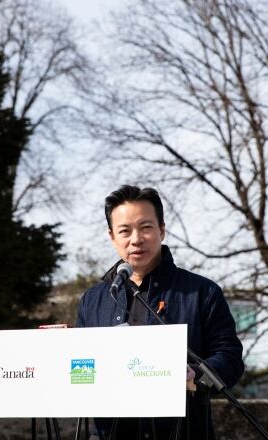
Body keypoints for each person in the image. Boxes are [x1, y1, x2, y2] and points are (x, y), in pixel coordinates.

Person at [75, 185, 244, 440]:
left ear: (162, 230)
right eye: (124, 231)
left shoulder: (202, 292)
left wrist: (195, 373)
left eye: (146, 227)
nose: (136, 239)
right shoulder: (93, 300)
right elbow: (80, 365)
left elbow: (230, 357)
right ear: (112, 237)